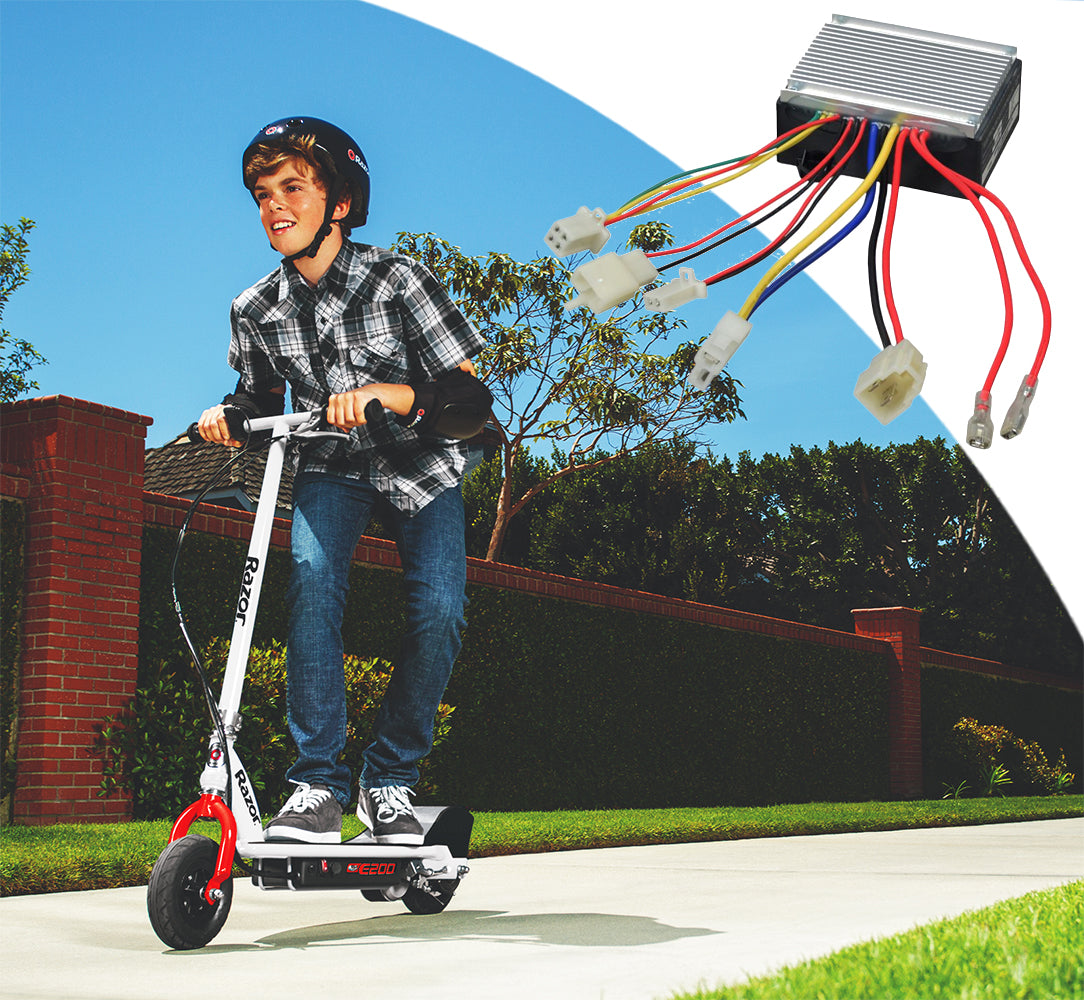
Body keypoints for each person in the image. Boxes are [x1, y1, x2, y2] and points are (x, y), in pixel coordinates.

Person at [197, 116, 490, 846]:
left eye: (293, 188)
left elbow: (470, 401)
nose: (274, 207)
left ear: (341, 203)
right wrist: (227, 415)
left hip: (421, 469)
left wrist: (392, 396)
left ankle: (388, 779)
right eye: (263, 194)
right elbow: (258, 400)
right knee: (313, 582)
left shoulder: (401, 281)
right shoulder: (255, 309)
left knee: (440, 611)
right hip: (331, 468)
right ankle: (317, 788)